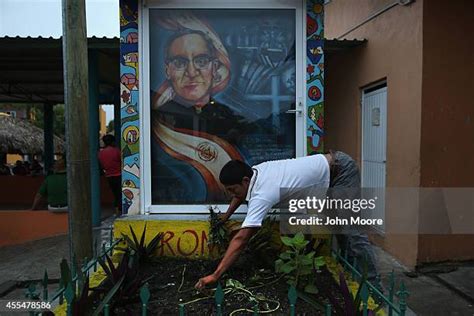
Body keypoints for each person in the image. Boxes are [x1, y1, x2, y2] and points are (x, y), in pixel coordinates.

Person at [195, 151, 379, 290]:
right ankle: (352, 271)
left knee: (352, 231)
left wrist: (216, 275)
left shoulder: (264, 193)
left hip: (340, 172)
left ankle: (373, 287)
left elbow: (241, 238)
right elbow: (240, 194)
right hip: (330, 169)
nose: (231, 195)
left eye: (232, 189)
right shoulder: (255, 173)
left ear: (244, 181)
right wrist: (226, 216)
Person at [151, 29, 251, 203]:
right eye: (180, 62)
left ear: (214, 67)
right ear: (167, 70)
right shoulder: (160, 118)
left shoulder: (229, 116)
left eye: (202, 61)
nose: (191, 72)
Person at [99, 134, 122, 216]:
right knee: (121, 194)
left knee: (115, 194)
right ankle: (120, 210)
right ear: (112, 141)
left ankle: (116, 211)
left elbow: (102, 166)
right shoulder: (116, 151)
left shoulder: (101, 153)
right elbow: (122, 161)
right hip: (119, 175)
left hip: (109, 176)